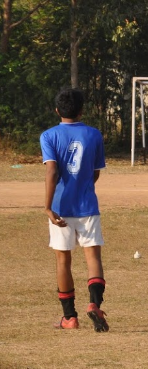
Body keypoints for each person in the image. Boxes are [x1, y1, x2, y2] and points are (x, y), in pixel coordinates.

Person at [41, 88, 109, 332]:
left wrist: (48, 206)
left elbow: (51, 171)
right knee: (93, 257)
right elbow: (95, 172)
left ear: (57, 110)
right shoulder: (94, 134)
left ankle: (69, 317)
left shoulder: (48, 136)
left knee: (63, 261)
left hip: (60, 208)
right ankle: (95, 304)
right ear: (82, 110)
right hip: (88, 206)